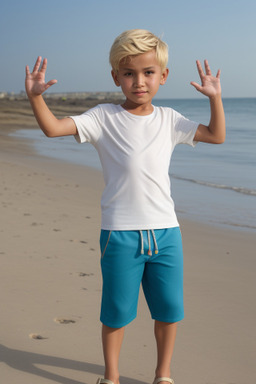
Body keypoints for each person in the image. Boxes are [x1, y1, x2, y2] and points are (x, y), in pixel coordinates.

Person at [25, 29, 225, 384]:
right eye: (129, 73)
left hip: (166, 233)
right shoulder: (102, 117)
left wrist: (215, 98)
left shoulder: (169, 119)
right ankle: (111, 376)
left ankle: (163, 375)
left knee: (169, 311)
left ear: (163, 76)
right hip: (119, 234)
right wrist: (36, 98)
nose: (139, 81)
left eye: (148, 72)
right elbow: (54, 129)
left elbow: (215, 135)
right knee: (116, 313)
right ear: (116, 77)